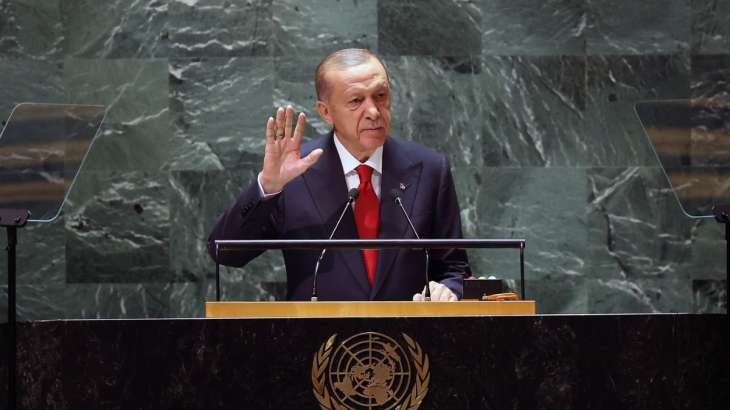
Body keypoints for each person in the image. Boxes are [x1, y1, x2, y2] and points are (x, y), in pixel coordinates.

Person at [208, 48, 470, 301]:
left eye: (380, 95)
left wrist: (448, 289)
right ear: (325, 112)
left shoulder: (430, 169)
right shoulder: (293, 174)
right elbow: (226, 254)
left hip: (407, 341)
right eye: (356, 101)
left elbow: (455, 268)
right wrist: (268, 186)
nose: (374, 112)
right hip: (320, 342)